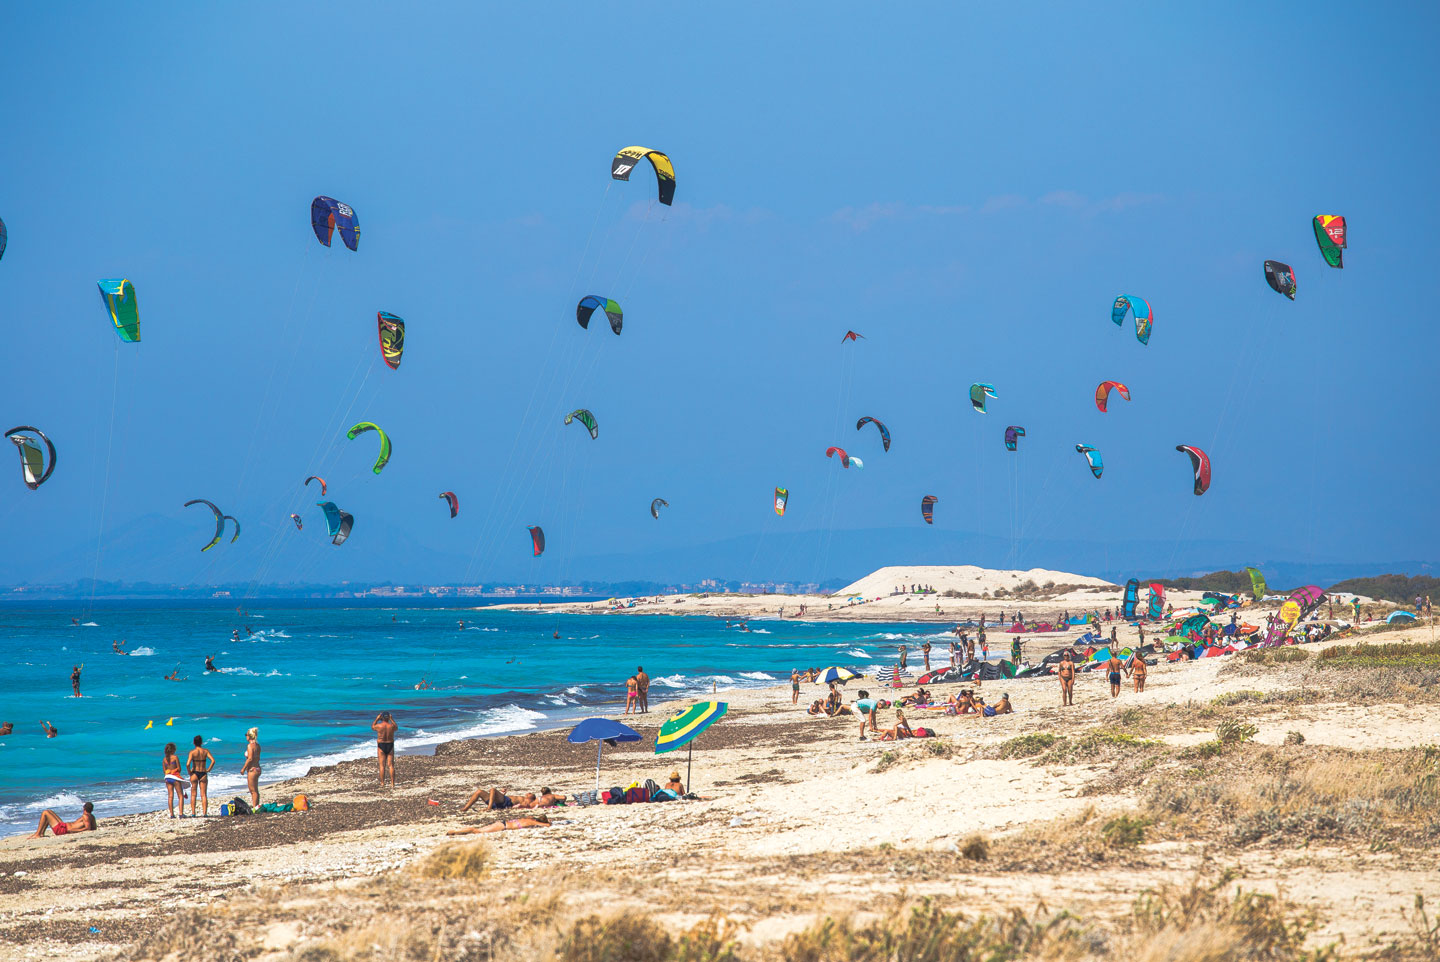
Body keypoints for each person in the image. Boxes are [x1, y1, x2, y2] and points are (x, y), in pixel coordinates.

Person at [31, 802, 95, 838]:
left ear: (84, 808)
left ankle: (37, 834)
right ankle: (41, 833)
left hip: (62, 830)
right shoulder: (92, 816)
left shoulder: (85, 816)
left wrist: (73, 831)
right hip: (64, 827)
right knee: (49, 811)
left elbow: (88, 828)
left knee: (45, 812)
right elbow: (94, 828)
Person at [187, 735, 215, 816]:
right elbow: (213, 761)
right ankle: (205, 813)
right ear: (201, 742)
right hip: (203, 773)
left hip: (195, 773)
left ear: (194, 742)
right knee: (203, 794)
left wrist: (189, 772)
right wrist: (208, 769)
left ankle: (193, 813)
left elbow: (188, 764)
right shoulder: (205, 751)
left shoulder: (192, 752)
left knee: (193, 794)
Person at [446, 813, 551, 835]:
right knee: (476, 831)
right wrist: (548, 823)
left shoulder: (528, 819)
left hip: (502, 824)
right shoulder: (532, 822)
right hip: (502, 826)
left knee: (478, 830)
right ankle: (454, 831)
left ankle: (456, 831)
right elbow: (547, 825)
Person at [371, 711, 397, 787]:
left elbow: (372, 727)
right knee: (391, 765)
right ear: (388, 717)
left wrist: (376, 719)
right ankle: (392, 783)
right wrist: (392, 719)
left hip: (381, 745)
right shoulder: (391, 726)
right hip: (390, 745)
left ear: (381, 717)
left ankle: (382, 783)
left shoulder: (379, 726)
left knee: (382, 766)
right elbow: (396, 728)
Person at [461, 787, 534, 812]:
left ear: (532, 798)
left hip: (505, 802)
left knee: (493, 790)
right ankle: (466, 808)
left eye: (530, 794)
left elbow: (526, 805)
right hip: (499, 801)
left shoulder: (527, 800)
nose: (529, 793)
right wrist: (502, 794)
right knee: (479, 791)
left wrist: (515, 807)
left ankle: (489, 807)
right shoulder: (523, 797)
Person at [162, 743, 187, 817]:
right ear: (173, 750)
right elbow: (179, 769)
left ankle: (172, 814)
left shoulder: (164, 759)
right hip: (175, 778)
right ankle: (181, 814)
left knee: (170, 796)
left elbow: (164, 771)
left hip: (168, 778)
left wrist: (169, 771)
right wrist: (174, 770)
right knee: (180, 796)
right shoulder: (175, 757)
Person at [241, 727, 262, 807]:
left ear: (249, 736)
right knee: (255, 790)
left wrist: (243, 769)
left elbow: (250, 758)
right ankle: (256, 806)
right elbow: (257, 757)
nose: (246, 736)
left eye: (246, 735)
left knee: (253, 791)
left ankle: (254, 807)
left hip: (252, 769)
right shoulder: (258, 746)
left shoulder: (250, 746)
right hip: (257, 768)